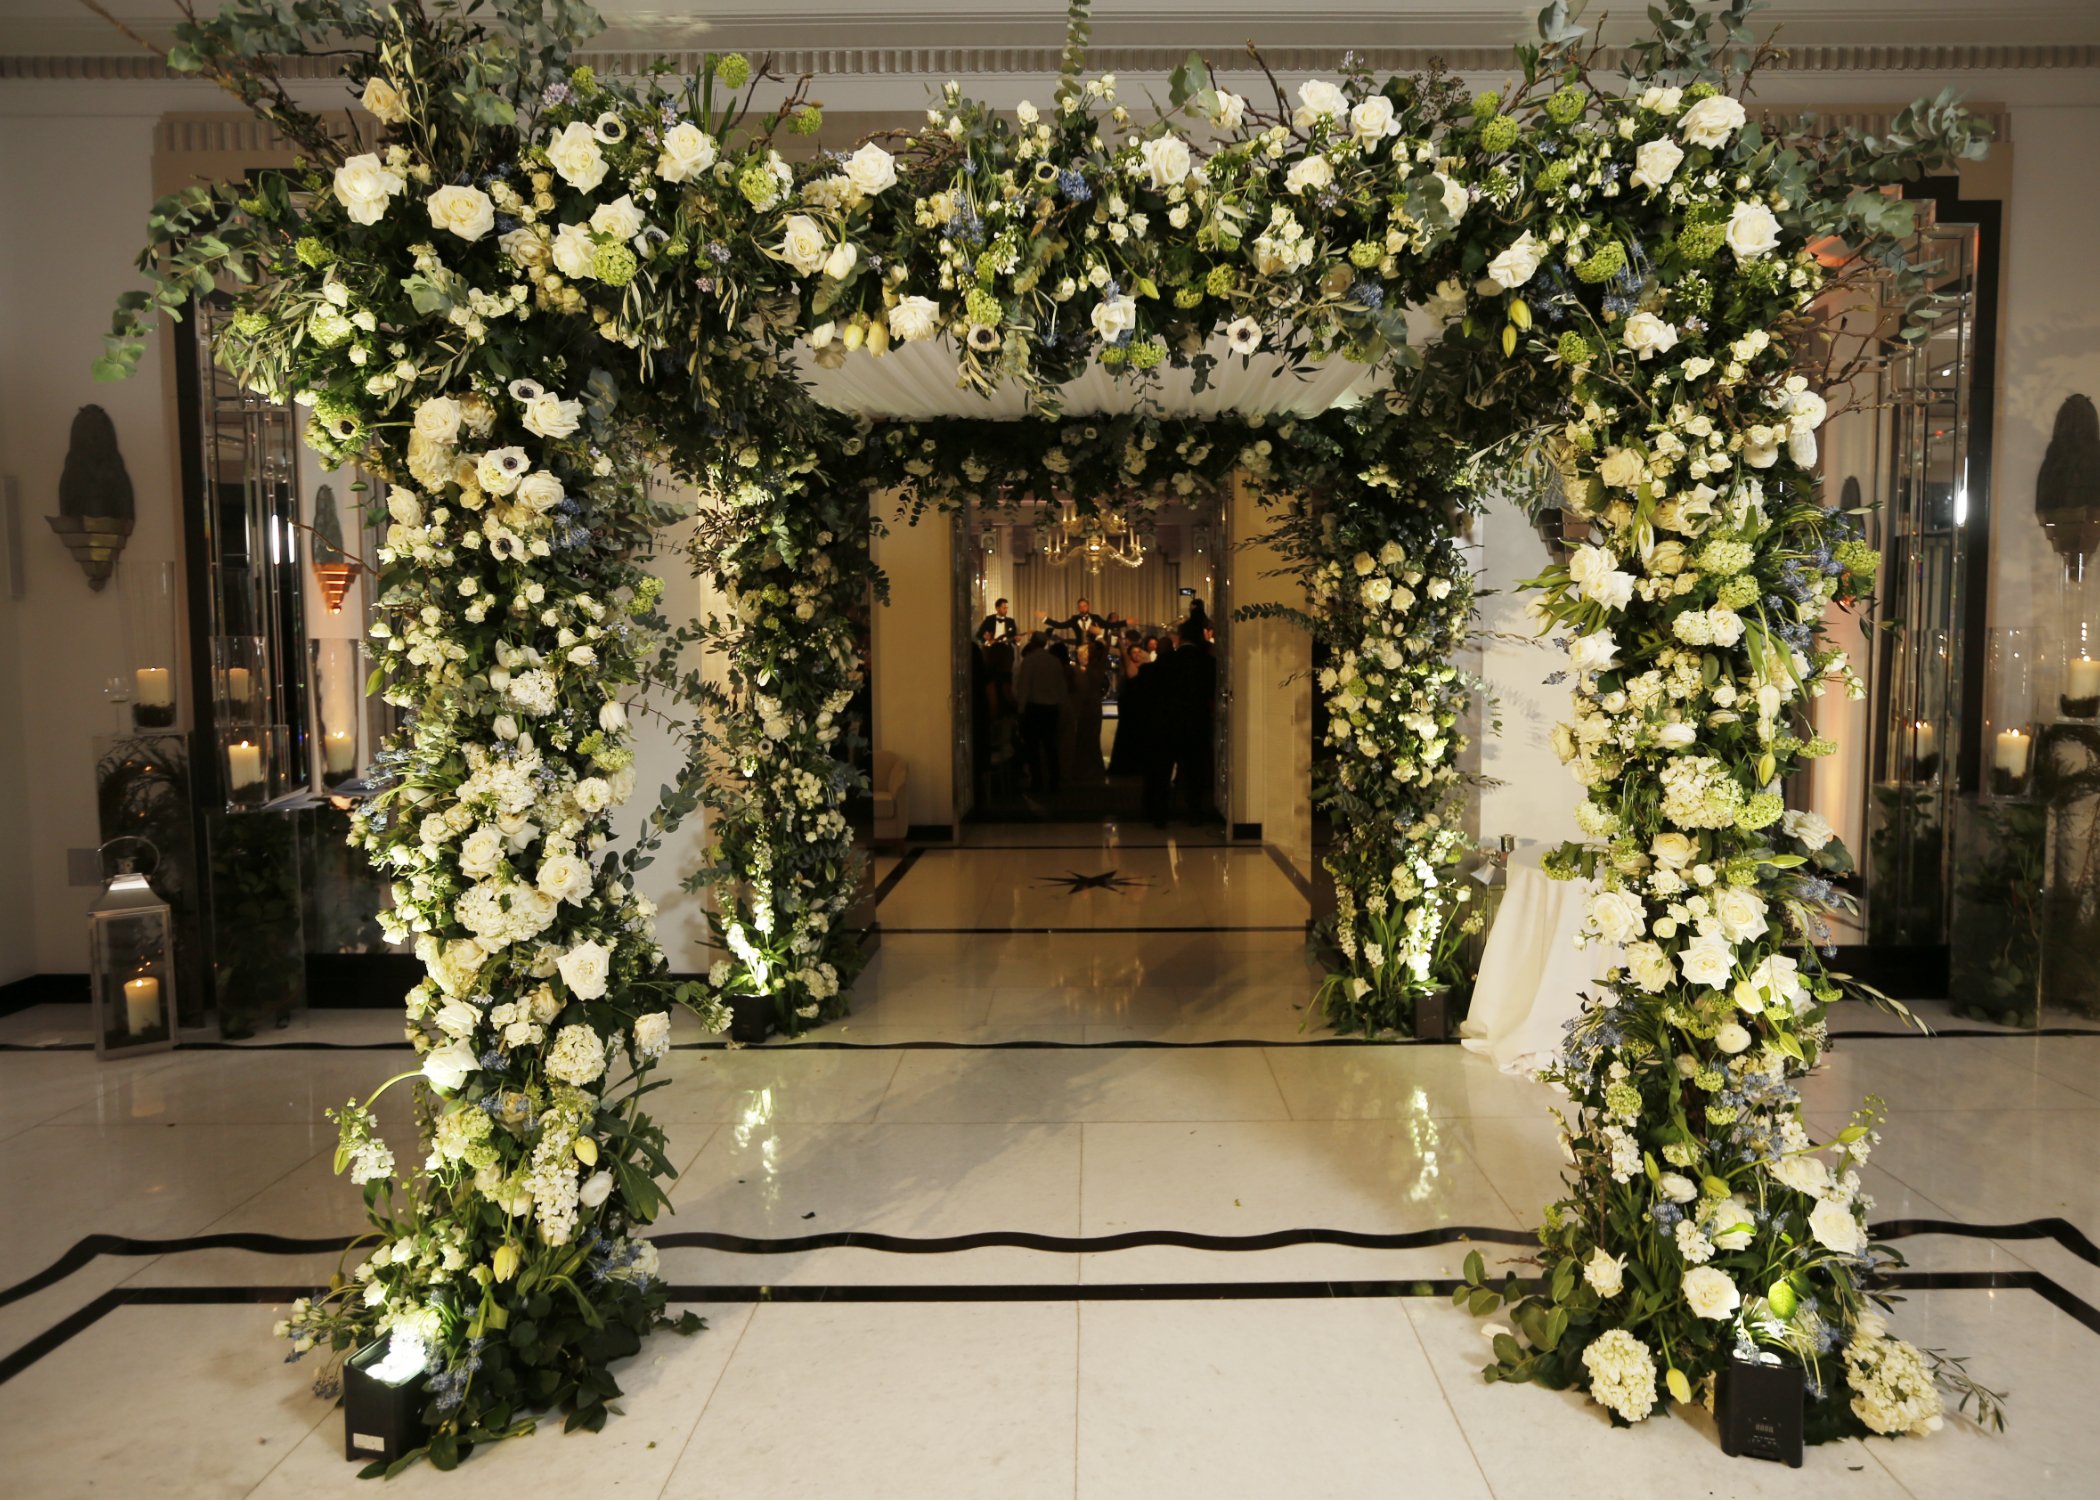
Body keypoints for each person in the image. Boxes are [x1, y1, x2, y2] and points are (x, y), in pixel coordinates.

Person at [1012, 632, 1069, 797]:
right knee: (1051, 747)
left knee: (1033, 747)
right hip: (1051, 709)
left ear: (1033, 643)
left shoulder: (1029, 661)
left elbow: (1024, 687)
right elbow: (1061, 687)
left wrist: (1020, 710)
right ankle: (1054, 783)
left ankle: (1037, 782)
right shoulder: (1055, 661)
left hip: (1034, 708)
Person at [1108, 631, 1152, 777]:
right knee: (1126, 733)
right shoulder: (1128, 667)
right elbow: (1126, 660)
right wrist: (1120, 642)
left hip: (1139, 705)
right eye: (1134, 652)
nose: (1137, 654)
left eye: (1139, 652)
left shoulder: (1146, 667)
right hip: (1128, 704)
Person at [1068, 640, 1109, 787]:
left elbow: (1105, 652)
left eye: (1082, 654)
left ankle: (1090, 771)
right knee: (1083, 737)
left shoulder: (1094, 668)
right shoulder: (1080, 669)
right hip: (1085, 705)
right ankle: (1085, 770)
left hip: (1091, 704)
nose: (1079, 657)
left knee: (1089, 737)